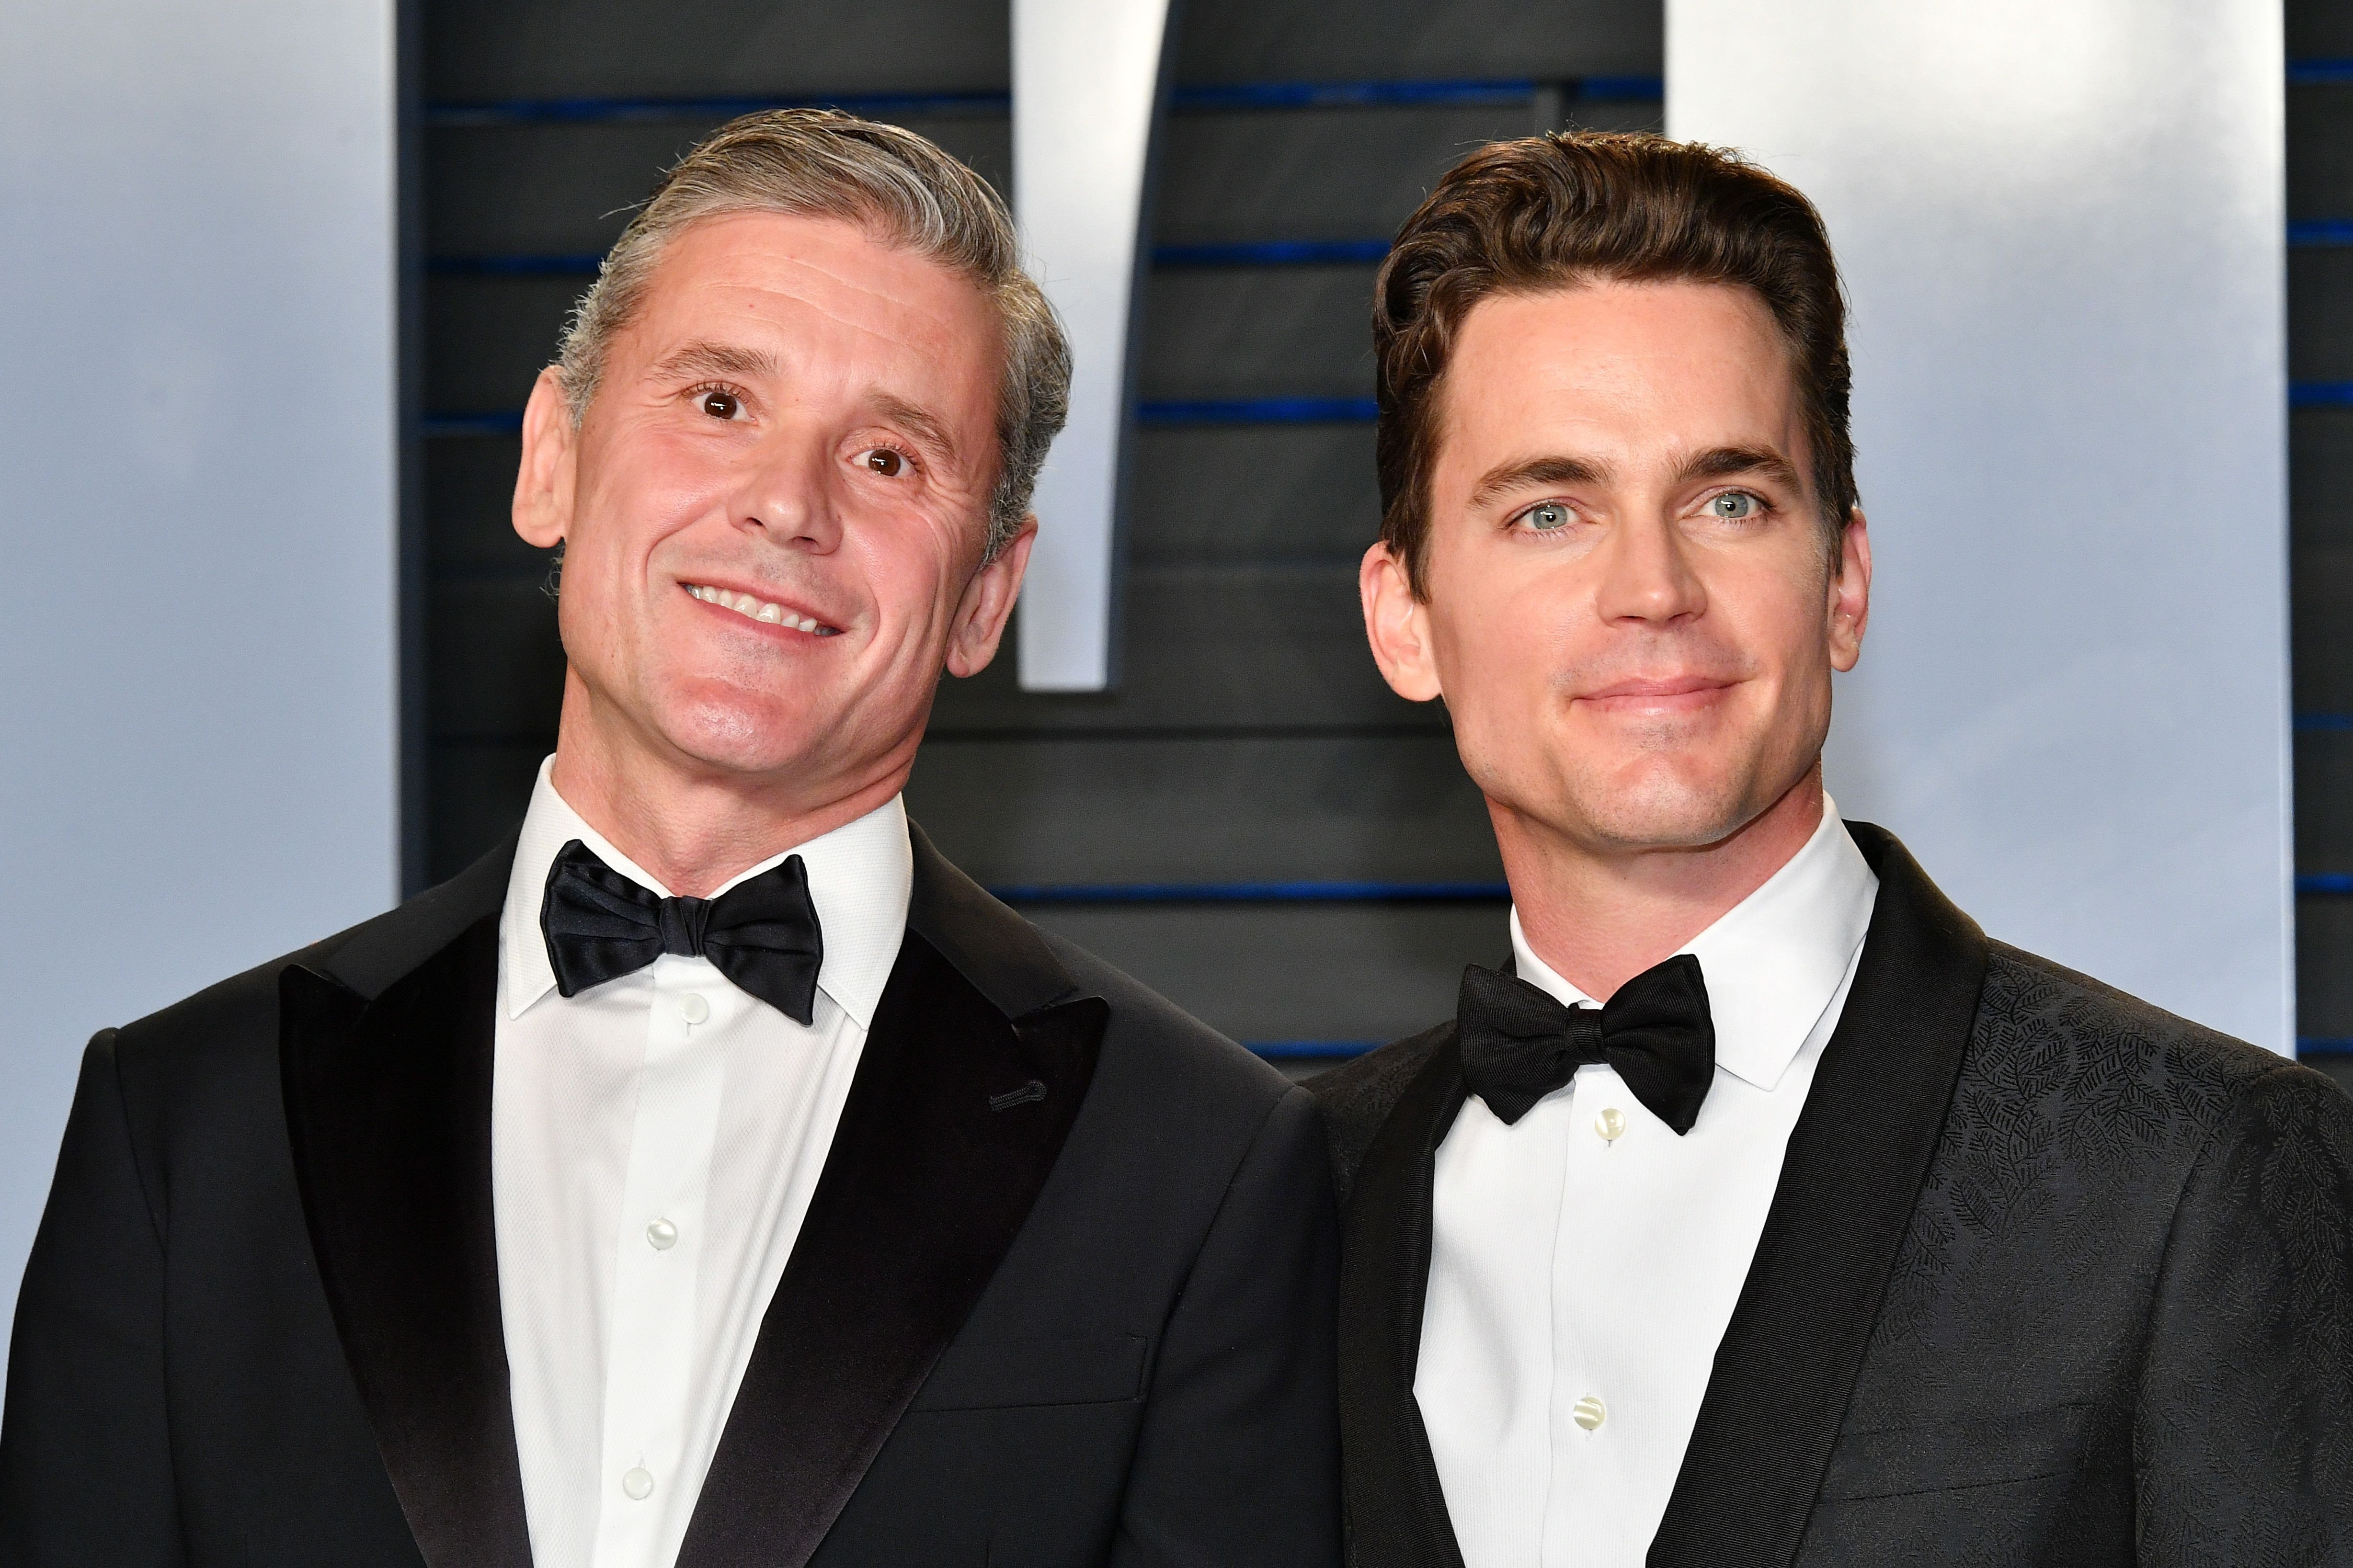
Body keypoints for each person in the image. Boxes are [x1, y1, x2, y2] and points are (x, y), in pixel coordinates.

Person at [0, 110, 1340, 1568]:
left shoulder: (1195, 1167)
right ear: (551, 460)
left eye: (890, 458)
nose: (785, 503)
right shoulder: (184, 1126)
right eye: (718, 403)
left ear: (984, 595)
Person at [1313, 132, 2353, 1568]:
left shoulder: (2194, 1164)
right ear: (1405, 618)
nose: (1653, 589)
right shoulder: (1290, 1197)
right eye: (1551, 510)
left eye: (1728, 499)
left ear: (1844, 582)